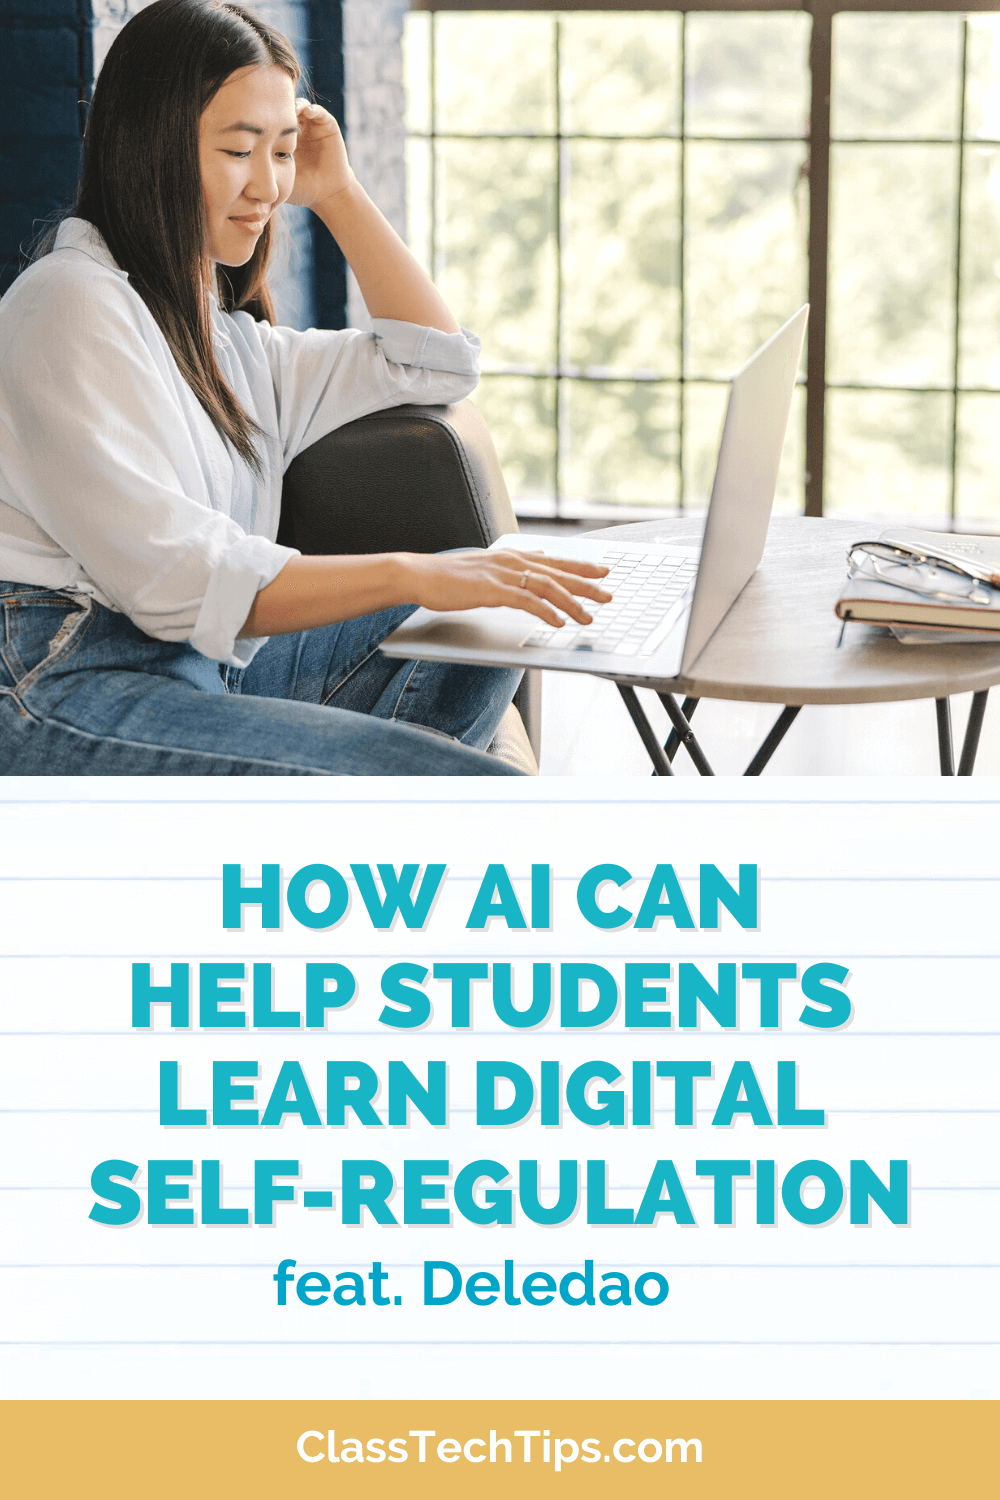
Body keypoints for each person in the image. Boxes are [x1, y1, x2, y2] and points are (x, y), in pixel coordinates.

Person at [0, 0, 609, 776]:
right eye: (237, 149)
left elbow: (436, 362)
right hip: (58, 685)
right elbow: (177, 578)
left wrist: (339, 194)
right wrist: (412, 570)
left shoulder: (229, 343)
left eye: (282, 152)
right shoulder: (68, 302)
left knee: (490, 607)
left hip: (198, 667)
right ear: (149, 145)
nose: (268, 184)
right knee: (467, 781)